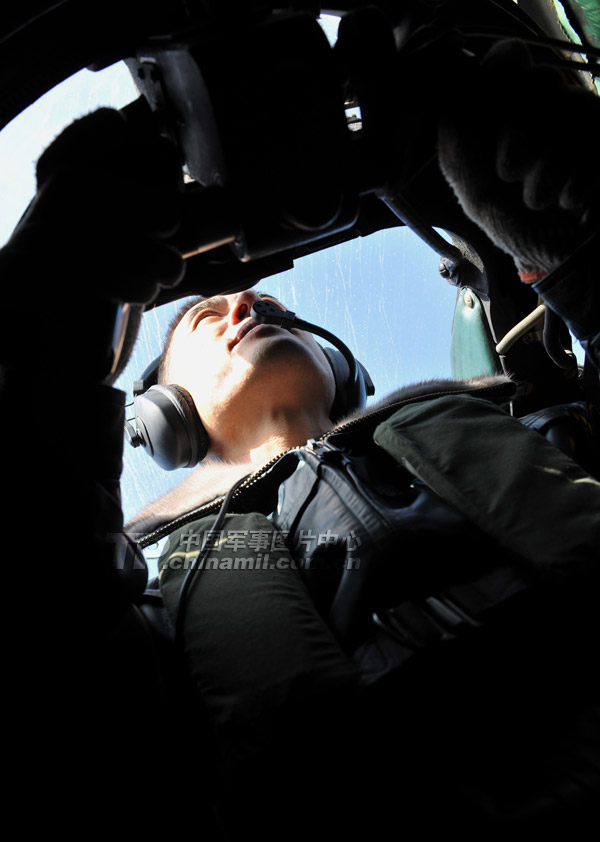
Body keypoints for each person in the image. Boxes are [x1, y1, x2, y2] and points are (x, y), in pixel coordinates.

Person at [1, 35, 598, 840]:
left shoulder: (528, 425)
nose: (248, 305)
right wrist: (38, 386)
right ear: (160, 418)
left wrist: (580, 262)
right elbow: (67, 697)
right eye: (211, 316)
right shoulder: (137, 600)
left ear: (342, 371)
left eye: (279, 315)